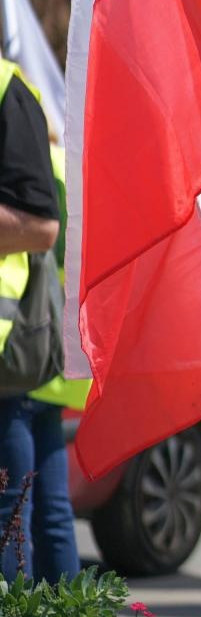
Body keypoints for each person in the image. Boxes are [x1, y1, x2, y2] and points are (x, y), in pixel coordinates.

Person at [0, 60, 79, 584]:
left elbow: (41, 236)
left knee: (14, 512)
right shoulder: (66, 163)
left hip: (19, 349)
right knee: (47, 511)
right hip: (49, 349)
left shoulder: (41, 167)